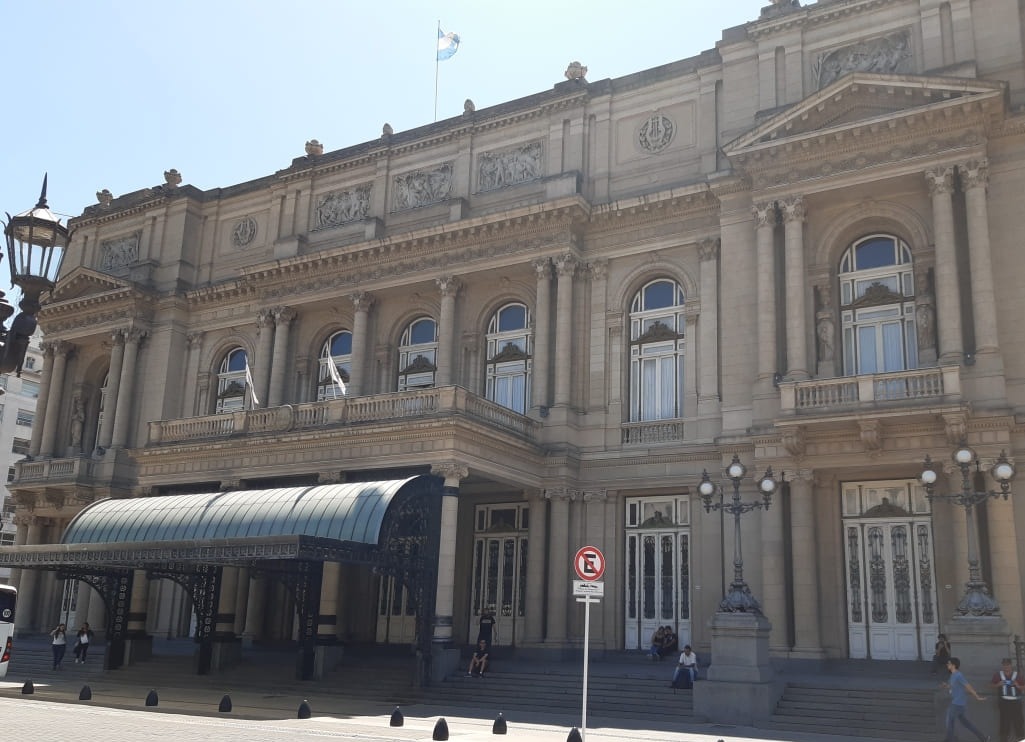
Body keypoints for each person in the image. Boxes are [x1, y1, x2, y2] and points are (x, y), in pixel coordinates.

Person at [942, 657, 987, 742]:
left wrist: (977, 696)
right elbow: (952, 686)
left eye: (948, 663)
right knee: (967, 724)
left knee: (949, 721)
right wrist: (946, 686)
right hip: (959, 703)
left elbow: (968, 686)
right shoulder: (952, 675)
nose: (947, 665)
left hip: (957, 703)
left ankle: (949, 739)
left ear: (954, 665)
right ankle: (983, 738)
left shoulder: (959, 675)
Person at [991, 657, 1024, 742]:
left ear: (1011, 665)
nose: (1006, 667)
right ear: (1002, 665)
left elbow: (1023, 687)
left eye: (1008, 665)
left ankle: (1021, 738)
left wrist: (1017, 685)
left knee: (1018, 722)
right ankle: (1004, 739)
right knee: (1004, 722)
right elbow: (990, 685)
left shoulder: (1017, 675)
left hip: (1016, 702)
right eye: (1004, 665)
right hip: (1004, 702)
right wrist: (998, 684)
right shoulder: (998, 675)